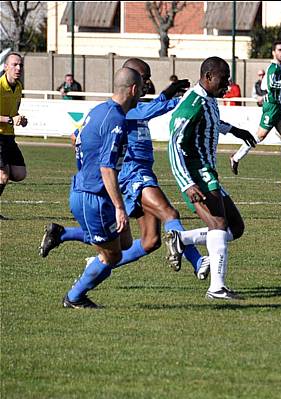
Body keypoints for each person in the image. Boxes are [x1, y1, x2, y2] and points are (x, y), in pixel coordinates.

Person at [39, 58, 209, 280]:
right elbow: (149, 111)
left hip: (140, 171)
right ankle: (198, 260)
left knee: (149, 241)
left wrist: (167, 95)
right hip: (133, 174)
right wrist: (176, 97)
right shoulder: (122, 112)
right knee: (169, 213)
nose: (147, 83)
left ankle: (67, 237)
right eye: (144, 78)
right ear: (132, 82)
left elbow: (79, 136)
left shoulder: (131, 107)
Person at [165, 56, 256, 300]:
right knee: (218, 225)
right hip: (196, 172)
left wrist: (235, 130)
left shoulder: (208, 99)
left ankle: (181, 240)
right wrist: (187, 183)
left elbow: (212, 123)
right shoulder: (193, 103)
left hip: (207, 171)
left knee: (235, 227)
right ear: (207, 77)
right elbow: (173, 144)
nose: (227, 85)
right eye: (223, 80)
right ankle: (217, 287)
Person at [61, 67, 143, 308]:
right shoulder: (115, 119)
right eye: (142, 90)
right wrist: (119, 206)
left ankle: (65, 235)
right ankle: (75, 296)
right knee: (113, 256)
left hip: (95, 193)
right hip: (91, 197)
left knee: (125, 243)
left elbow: (75, 137)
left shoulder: (98, 110)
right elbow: (107, 167)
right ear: (134, 89)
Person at [230, 40, 281, 177]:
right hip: (272, 107)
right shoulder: (273, 68)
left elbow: (272, 86)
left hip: (278, 107)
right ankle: (235, 158)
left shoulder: (279, 69)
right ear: (273, 52)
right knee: (259, 137)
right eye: (279, 50)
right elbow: (271, 86)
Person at [0, 52, 28, 220]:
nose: (18, 68)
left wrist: (20, 119)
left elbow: (14, 112)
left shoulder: (18, 87)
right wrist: (11, 119)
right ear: (5, 67)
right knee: (3, 176)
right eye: (14, 65)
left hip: (9, 136)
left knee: (19, 174)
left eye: (20, 65)